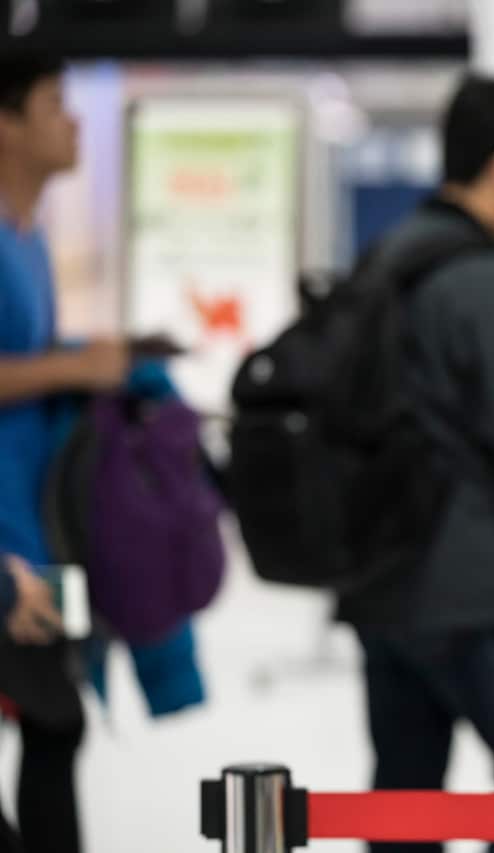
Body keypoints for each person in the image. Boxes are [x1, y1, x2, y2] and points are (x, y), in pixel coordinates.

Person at [334, 75, 494, 853]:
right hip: (470, 589)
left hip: (379, 576)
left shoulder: (383, 260)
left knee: (405, 798)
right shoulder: (486, 279)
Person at [0, 55, 130, 853]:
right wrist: (74, 367)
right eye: (53, 104)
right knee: (55, 723)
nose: (74, 121)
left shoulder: (33, 240)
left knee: (58, 725)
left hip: (32, 530)